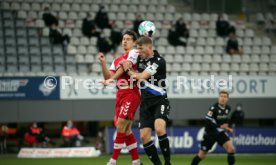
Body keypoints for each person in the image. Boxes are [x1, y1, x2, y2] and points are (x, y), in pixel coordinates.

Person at [121, 36, 172, 165]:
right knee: (144, 137)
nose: (139, 52)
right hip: (145, 103)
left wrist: (128, 70)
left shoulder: (159, 61)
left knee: (159, 129)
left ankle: (167, 162)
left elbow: (142, 77)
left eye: (141, 49)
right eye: (138, 49)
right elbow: (128, 59)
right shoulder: (139, 58)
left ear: (149, 47)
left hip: (159, 100)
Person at [98, 30, 142, 165]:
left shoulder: (134, 53)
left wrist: (111, 80)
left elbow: (125, 67)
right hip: (120, 94)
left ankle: (113, 161)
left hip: (131, 92)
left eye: (128, 39)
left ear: (134, 42)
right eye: (123, 39)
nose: (125, 41)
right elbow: (108, 77)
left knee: (120, 126)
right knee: (125, 129)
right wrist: (103, 63)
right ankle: (136, 161)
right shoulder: (117, 60)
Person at [191, 90, 235, 165]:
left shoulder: (228, 108)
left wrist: (228, 127)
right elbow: (207, 120)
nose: (223, 98)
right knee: (201, 155)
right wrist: (220, 126)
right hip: (210, 133)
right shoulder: (213, 108)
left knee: (231, 149)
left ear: (227, 99)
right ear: (218, 98)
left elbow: (225, 120)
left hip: (220, 133)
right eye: (221, 96)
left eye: (225, 97)